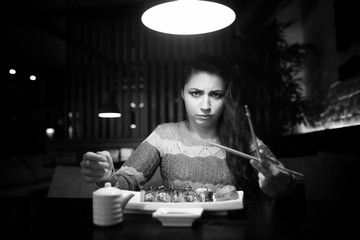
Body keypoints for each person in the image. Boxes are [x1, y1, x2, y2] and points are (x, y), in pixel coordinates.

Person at [80, 54, 303, 201]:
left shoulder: (245, 140)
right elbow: (125, 184)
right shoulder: (164, 135)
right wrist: (106, 176)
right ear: (182, 93)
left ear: (226, 98)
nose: (205, 106)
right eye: (196, 93)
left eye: (215, 95)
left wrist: (282, 184)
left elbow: (290, 179)